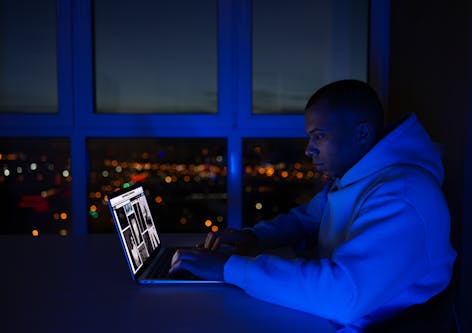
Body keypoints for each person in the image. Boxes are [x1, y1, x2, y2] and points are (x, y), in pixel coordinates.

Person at [169, 80, 457, 332]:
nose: (309, 149)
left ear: (361, 134)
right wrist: (255, 237)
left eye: (319, 135)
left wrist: (230, 269)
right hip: (334, 317)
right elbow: (306, 219)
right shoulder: (358, 178)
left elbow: (342, 296)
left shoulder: (403, 196)